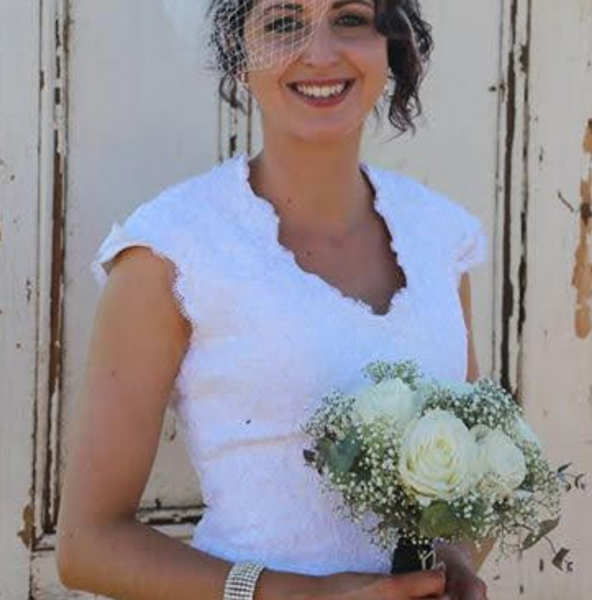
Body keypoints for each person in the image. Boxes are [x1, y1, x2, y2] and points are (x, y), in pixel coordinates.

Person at [55, 0, 492, 599]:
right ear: (239, 56)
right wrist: (298, 595)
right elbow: (88, 545)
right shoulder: (172, 250)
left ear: (391, 43)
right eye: (283, 22)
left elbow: (477, 473)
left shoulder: (439, 236)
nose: (319, 53)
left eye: (350, 18)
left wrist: (452, 561)